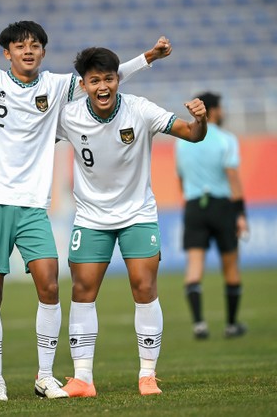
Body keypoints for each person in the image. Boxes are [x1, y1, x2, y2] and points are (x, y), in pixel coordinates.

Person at [0, 0, 172, 401]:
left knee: (49, 284)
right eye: (20, 45)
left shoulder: (58, 87)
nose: (28, 51)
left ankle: (45, 375)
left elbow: (103, 78)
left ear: (43, 53)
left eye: (35, 46)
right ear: (7, 52)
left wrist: (146, 59)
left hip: (32, 206)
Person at [55, 47, 207, 397]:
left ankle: (148, 376)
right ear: (84, 85)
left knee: (143, 286)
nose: (103, 86)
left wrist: (202, 120)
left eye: (109, 78)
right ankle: (82, 379)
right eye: (95, 80)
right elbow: (30, 134)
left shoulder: (141, 109)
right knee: (82, 291)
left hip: (137, 213)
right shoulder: (68, 116)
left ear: (118, 79)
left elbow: (192, 134)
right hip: (91, 217)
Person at [175, 91, 249, 340]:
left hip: (194, 206)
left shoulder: (182, 141)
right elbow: (233, 178)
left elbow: (181, 179)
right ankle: (231, 324)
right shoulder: (226, 139)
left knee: (194, 267)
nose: (223, 112)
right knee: (230, 266)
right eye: (222, 108)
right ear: (214, 110)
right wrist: (241, 214)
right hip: (222, 206)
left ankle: (199, 324)